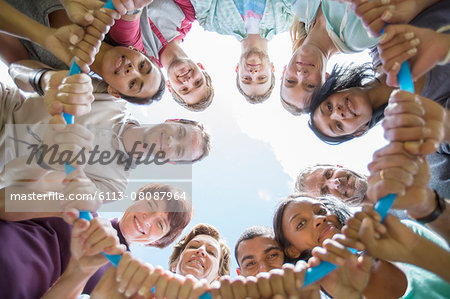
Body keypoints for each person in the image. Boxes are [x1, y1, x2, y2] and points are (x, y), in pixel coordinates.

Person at [2, 63, 211, 198]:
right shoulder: (113, 97)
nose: (172, 142)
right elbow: (17, 68)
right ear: (172, 120)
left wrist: (44, 161)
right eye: (180, 133)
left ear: (171, 161)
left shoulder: (114, 187)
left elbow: (24, 196)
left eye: (179, 150)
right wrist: (44, 79)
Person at [0, 180, 193, 299]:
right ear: (135, 198)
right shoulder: (81, 204)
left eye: (160, 224)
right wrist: (62, 204)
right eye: (150, 204)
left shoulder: (126, 281)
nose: (148, 219)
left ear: (158, 241)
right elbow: (3, 200)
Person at [273, 194, 450, 298]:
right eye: (301, 224)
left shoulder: (404, 234)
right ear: (292, 250)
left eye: (321, 211)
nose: (320, 219)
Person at [2, 0, 166, 105]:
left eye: (133, 83)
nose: (132, 70)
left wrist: (44, 79)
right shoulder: (103, 10)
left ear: (114, 92)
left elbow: (16, 68)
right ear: (136, 50)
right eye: (142, 65)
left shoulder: (62, 73)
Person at [106, 0, 214, 111]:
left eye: (184, 89)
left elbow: (126, 28)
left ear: (169, 86)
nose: (187, 81)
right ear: (201, 67)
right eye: (198, 82)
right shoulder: (188, 15)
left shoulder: (142, 61)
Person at [280, 0, 379, 115]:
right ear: (326, 80)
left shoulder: (299, 7)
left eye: (291, 81)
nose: (301, 75)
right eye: (310, 85)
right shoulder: (358, 38)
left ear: (284, 71)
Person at [191, 0, 293, 104]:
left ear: (237, 68)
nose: (253, 73)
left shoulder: (211, 21)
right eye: (262, 78)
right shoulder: (288, 19)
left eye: (246, 78)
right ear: (272, 68)